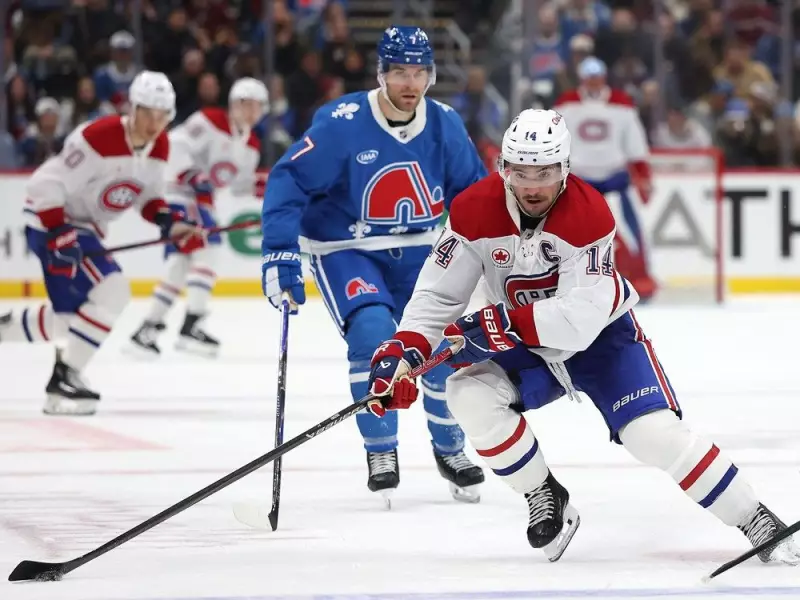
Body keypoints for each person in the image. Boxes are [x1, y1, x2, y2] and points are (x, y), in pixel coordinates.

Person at [365, 108, 800, 564]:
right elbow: (438, 294)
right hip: (526, 342)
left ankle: (757, 519)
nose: (533, 186)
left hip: (602, 341)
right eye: (520, 172)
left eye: (545, 172)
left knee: (651, 434)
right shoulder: (473, 209)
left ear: (566, 167)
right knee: (466, 392)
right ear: (503, 167)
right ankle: (543, 493)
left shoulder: (588, 213)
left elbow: (580, 319)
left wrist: (499, 325)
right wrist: (404, 351)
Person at [260, 26, 488, 506]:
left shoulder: (445, 123)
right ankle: (381, 449)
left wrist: (497, 253)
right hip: (347, 248)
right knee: (373, 335)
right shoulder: (341, 123)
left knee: (445, 344)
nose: (410, 83)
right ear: (381, 74)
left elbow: (475, 196)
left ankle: (450, 448)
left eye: (420, 72)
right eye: (400, 72)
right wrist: (280, 251)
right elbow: (289, 179)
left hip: (422, 247)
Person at [0, 72, 203, 416]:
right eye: (149, 113)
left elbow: (148, 198)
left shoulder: (160, 146)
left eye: (163, 115)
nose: (155, 123)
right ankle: (65, 377)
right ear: (133, 108)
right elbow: (45, 184)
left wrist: (171, 222)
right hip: (51, 222)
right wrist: (59, 230)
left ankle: (9, 333)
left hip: (84, 229)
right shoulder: (98, 137)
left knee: (70, 319)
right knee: (113, 291)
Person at [129, 78, 269, 357]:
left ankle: (147, 329)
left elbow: (235, 184)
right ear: (234, 103)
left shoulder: (251, 144)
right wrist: (192, 174)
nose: (251, 111)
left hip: (202, 202)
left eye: (257, 106)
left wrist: (259, 186)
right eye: (246, 104)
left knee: (180, 266)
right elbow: (175, 144)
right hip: (178, 193)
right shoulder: (209, 120)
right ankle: (191, 324)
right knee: (209, 250)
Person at [554, 57, 657, 301]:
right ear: (582, 79)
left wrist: (643, 173)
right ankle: (561, 281)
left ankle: (638, 278)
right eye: (589, 78)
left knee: (628, 233)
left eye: (597, 77)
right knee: (566, 233)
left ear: (604, 77)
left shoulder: (621, 104)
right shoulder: (566, 104)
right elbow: (556, 140)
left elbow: (634, 142)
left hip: (615, 180)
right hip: (578, 182)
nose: (593, 82)